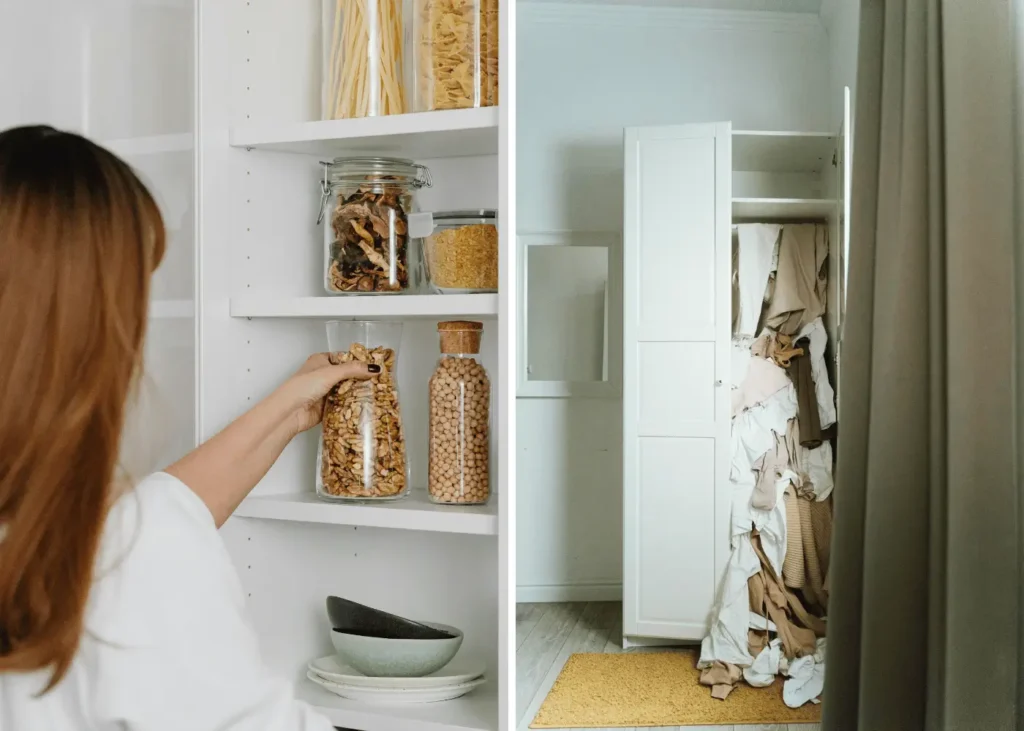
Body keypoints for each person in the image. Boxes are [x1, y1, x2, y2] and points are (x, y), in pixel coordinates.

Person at [0, 126, 365, 729]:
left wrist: (286, 410)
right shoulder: (133, 556)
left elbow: (151, 514)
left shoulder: (94, 533)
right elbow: (132, 541)